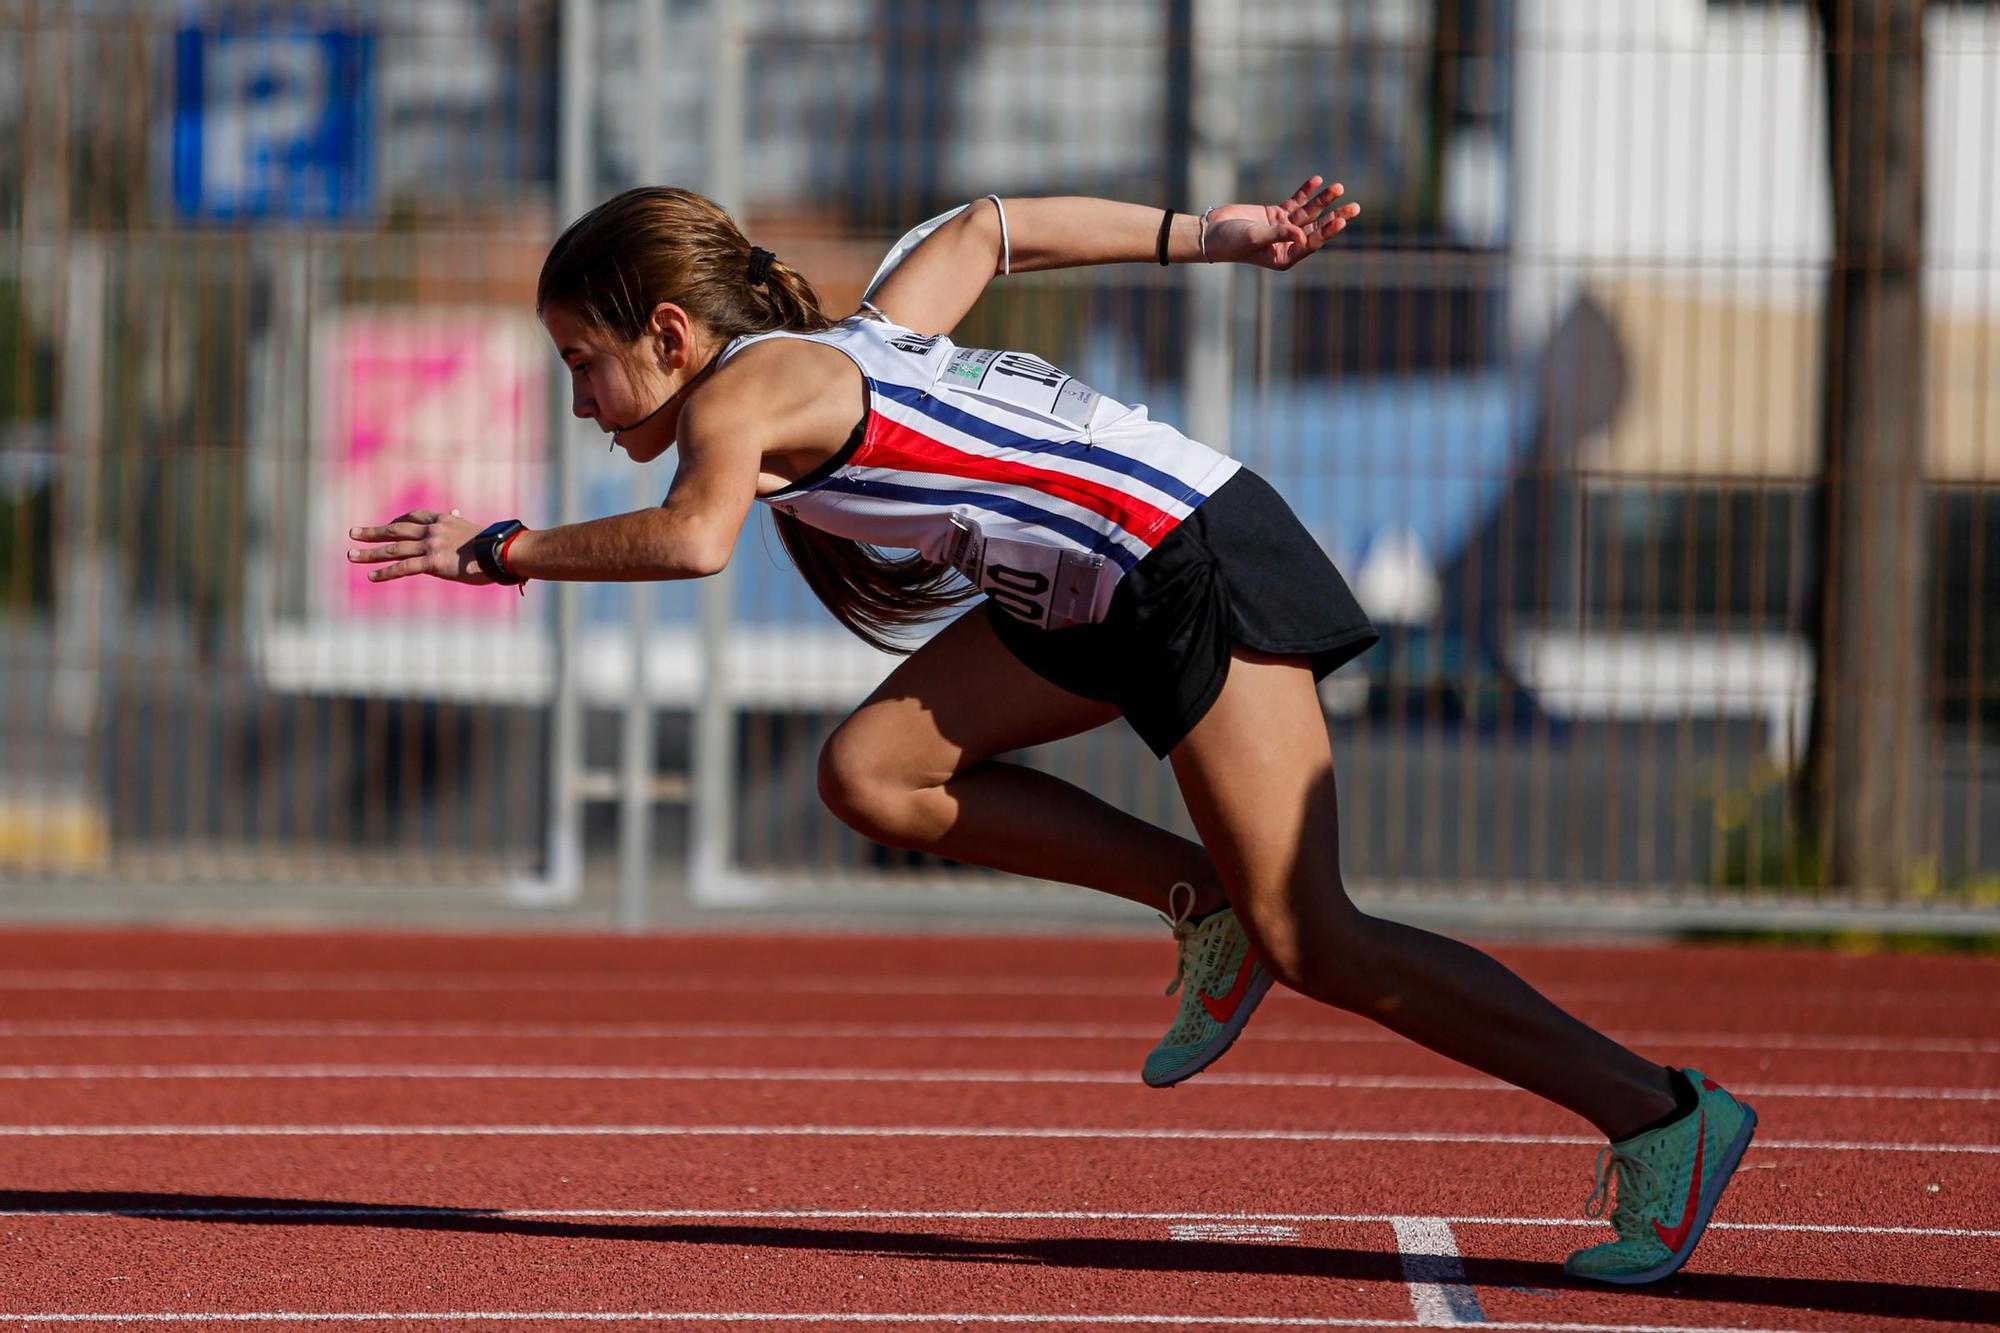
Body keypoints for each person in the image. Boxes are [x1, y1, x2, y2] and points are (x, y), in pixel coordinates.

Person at [347, 178, 1756, 1285]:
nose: (582, 402)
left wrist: (504, 551)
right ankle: (1190, 897)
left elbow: (696, 539)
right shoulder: (861, 338)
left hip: (1188, 563)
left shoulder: (743, 390)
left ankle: (1658, 1112)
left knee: (1317, 935)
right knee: (871, 771)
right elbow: (993, 227)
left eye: (584, 363)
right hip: (1082, 595)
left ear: (668, 335)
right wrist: (1217, 234)